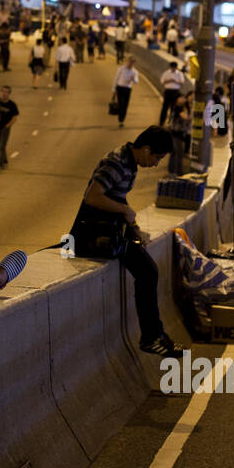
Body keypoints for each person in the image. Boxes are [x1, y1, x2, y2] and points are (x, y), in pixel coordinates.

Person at [69, 127, 182, 357]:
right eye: (157, 157)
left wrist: (133, 227)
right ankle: (151, 337)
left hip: (110, 231)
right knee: (148, 271)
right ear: (146, 149)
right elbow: (93, 197)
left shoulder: (129, 164)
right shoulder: (116, 162)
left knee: (148, 269)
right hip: (93, 235)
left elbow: (116, 197)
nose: (156, 163)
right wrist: (125, 210)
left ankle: (155, 334)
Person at [0, 85, 19, 173]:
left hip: (5, 127)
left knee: (2, 145)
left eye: (6, 92)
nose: (4, 93)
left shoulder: (12, 105)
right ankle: (5, 160)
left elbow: (15, 117)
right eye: (3, 91)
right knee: (0, 145)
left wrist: (8, 126)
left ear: (9, 94)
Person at [113, 55, 139, 127]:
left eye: (132, 62)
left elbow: (136, 81)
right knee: (120, 104)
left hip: (127, 89)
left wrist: (133, 79)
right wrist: (114, 89)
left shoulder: (134, 71)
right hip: (120, 88)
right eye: (130, 61)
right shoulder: (121, 69)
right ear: (127, 61)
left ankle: (122, 120)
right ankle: (120, 118)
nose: (130, 63)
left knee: (125, 105)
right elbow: (116, 78)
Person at [168, 93, 191, 176]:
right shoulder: (176, 108)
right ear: (177, 99)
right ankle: (178, 171)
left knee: (174, 152)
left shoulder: (183, 107)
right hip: (175, 133)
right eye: (180, 97)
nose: (182, 99)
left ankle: (172, 170)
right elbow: (185, 117)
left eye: (183, 97)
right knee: (179, 152)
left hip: (179, 133)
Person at [159, 60, 187, 126]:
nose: (173, 69)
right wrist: (168, 81)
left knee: (174, 108)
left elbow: (182, 82)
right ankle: (161, 122)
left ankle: (171, 122)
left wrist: (175, 80)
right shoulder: (166, 73)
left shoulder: (179, 73)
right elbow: (162, 81)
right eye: (172, 67)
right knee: (165, 107)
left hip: (176, 92)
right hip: (168, 91)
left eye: (174, 67)